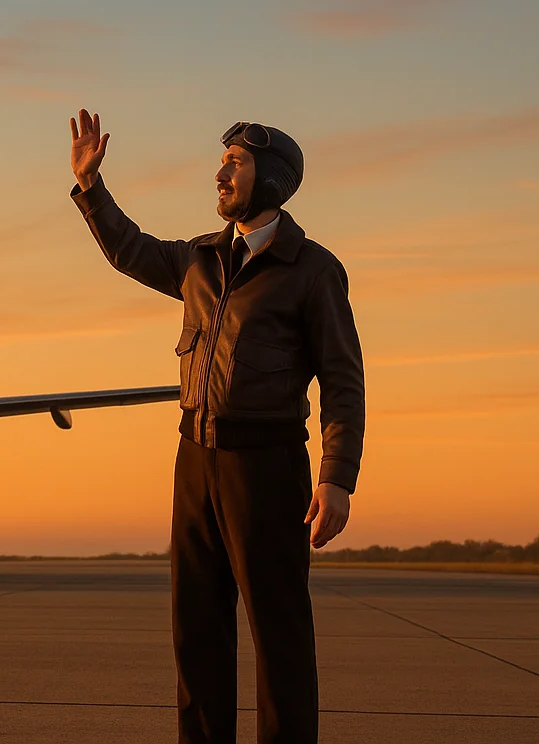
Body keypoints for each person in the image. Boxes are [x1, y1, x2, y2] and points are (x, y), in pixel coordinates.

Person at [68, 111, 364, 744]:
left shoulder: (312, 270)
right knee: (197, 630)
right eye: (223, 161)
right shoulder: (199, 261)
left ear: (274, 180)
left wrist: (336, 478)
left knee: (278, 633)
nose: (221, 173)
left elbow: (343, 380)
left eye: (236, 162)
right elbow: (130, 248)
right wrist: (91, 188)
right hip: (194, 463)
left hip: (267, 465)